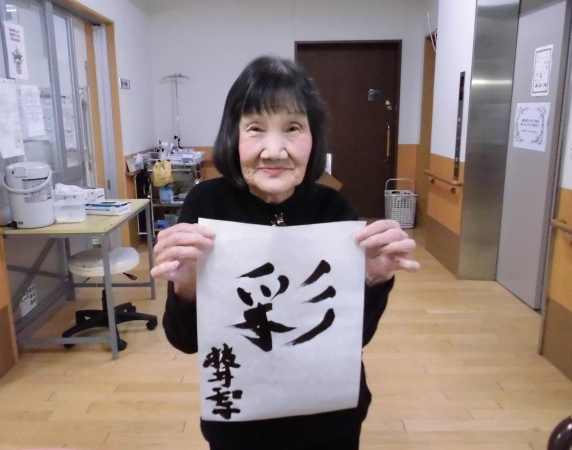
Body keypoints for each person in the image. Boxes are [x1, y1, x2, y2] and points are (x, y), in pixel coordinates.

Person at [151, 54, 420, 450]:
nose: (274, 151)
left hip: (329, 418)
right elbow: (185, 341)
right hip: (238, 421)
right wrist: (187, 286)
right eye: (255, 128)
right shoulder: (206, 207)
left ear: (314, 138)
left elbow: (354, 340)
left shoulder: (335, 211)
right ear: (233, 135)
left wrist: (374, 278)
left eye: (293, 128)